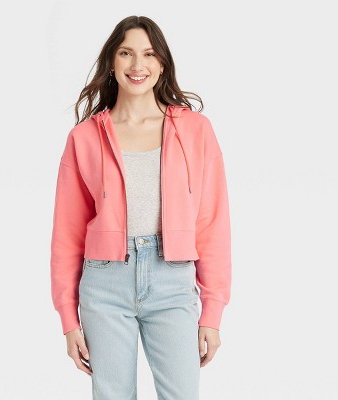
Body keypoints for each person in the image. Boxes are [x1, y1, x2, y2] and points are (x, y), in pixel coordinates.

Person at [50, 15, 232, 400]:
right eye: (126, 53)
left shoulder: (195, 130)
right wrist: (68, 319)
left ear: (162, 63)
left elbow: (212, 223)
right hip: (105, 283)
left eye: (149, 54)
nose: (138, 64)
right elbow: (66, 234)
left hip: (173, 281)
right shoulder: (84, 137)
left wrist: (212, 311)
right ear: (111, 63)